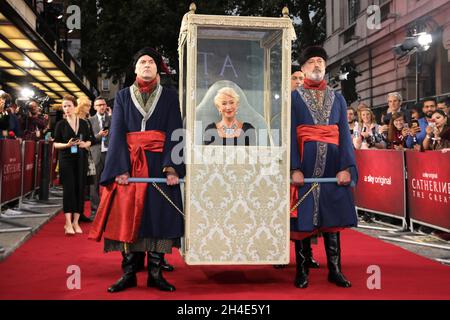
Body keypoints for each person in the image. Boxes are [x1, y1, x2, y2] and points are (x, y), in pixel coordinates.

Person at [89, 47, 184, 293]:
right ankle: (129, 273)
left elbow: (176, 131)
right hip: (130, 166)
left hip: (158, 165)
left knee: (157, 216)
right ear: (135, 68)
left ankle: (155, 273)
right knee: (128, 216)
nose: (147, 65)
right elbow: (118, 131)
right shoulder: (121, 96)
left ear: (157, 68)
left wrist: (172, 168)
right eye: (142, 61)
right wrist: (119, 168)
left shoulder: (170, 96)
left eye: (151, 62)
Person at [291, 45, 357, 288]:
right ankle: (301, 270)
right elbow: (288, 135)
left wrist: (346, 167)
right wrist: (293, 168)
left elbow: (345, 136)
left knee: (333, 217)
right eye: (311, 62)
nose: (317, 65)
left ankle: (335, 269)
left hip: (333, 168)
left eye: (320, 61)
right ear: (303, 68)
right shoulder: (293, 98)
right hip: (304, 168)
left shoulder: (338, 98)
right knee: (302, 217)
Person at [53, 95, 93, 235]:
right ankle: (68, 223)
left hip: (81, 159)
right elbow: (55, 144)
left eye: (69, 105)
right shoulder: (60, 124)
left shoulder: (83, 123)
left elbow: (90, 141)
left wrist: (84, 144)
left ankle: (76, 222)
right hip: (66, 159)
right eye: (64, 106)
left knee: (80, 189)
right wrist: (67, 144)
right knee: (69, 190)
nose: (67, 108)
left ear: (75, 107)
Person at [88, 96, 111, 220]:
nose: (102, 107)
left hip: (109, 155)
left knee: (111, 183)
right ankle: (95, 211)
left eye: (103, 104)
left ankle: (110, 210)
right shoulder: (90, 121)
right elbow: (88, 139)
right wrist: (98, 135)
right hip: (95, 154)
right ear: (95, 107)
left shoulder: (112, 119)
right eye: (99, 105)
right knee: (94, 184)